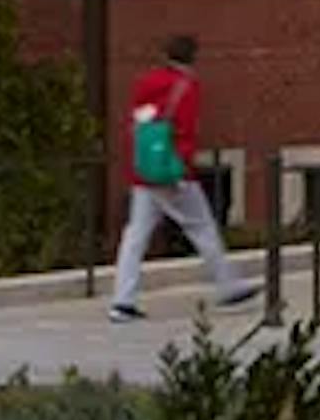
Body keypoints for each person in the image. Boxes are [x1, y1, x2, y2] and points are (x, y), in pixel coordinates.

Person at [109, 29, 259, 319]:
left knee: (136, 235)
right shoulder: (187, 86)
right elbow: (186, 131)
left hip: (145, 169)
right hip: (174, 171)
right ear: (193, 56)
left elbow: (141, 122)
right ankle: (228, 284)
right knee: (201, 226)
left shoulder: (147, 82)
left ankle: (122, 300)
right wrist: (180, 168)